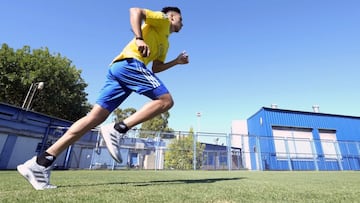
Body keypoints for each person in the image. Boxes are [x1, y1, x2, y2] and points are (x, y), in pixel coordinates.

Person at [17, 6, 189, 190]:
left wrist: (176, 62)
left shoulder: (166, 43)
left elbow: (156, 68)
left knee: (94, 118)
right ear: (172, 17)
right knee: (165, 101)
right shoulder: (162, 19)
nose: (183, 23)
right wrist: (139, 39)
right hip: (130, 63)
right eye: (181, 19)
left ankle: (41, 162)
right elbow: (135, 11)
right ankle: (118, 129)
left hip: (121, 71)